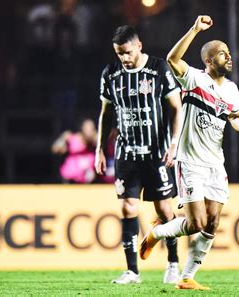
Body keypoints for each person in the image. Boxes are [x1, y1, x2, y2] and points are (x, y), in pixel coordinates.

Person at [140, 15, 239, 290]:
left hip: (216, 163)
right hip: (190, 161)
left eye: (229, 53)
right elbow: (172, 58)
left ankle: (187, 277)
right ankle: (157, 232)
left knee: (212, 222)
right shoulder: (194, 79)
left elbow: (234, 118)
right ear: (208, 60)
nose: (228, 57)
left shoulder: (232, 90)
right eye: (222, 54)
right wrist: (194, 29)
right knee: (195, 223)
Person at [94, 25, 183, 285]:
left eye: (128, 52)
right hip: (126, 153)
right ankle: (132, 271)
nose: (124, 58)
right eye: (119, 53)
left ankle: (173, 263)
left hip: (157, 152)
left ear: (139, 46)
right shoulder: (110, 74)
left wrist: (174, 142)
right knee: (127, 207)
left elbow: (176, 108)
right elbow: (106, 114)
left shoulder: (158, 69)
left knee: (165, 210)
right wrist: (100, 148)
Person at [52, 118, 98, 183]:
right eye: (87, 129)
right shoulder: (72, 139)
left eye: (92, 129)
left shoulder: (95, 142)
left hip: (87, 180)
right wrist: (62, 140)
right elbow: (56, 149)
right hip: (70, 179)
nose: (89, 131)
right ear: (82, 129)